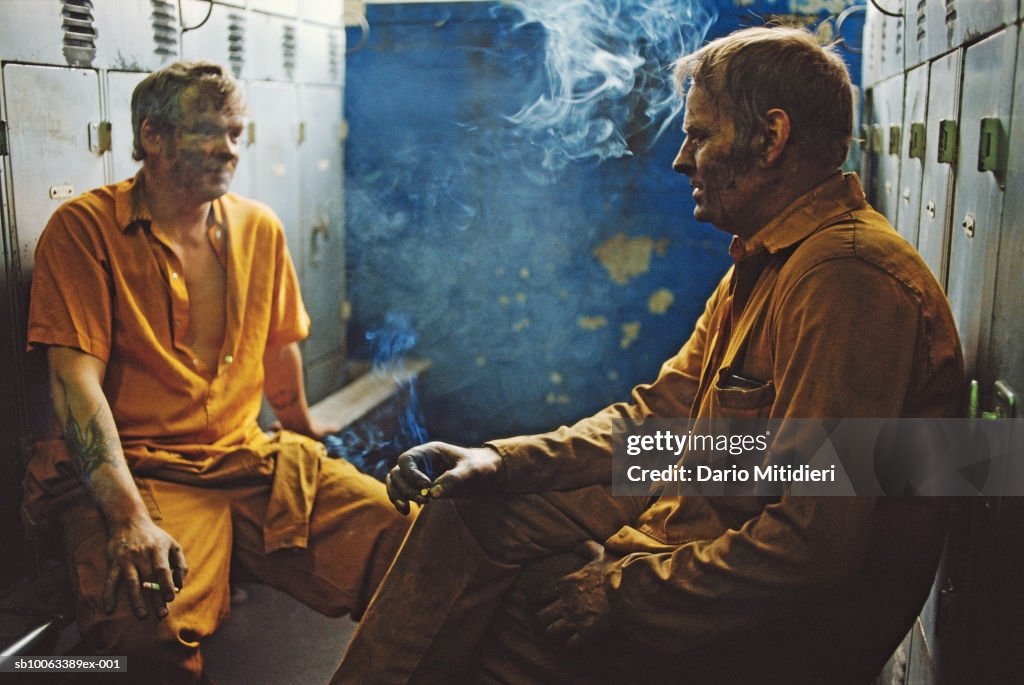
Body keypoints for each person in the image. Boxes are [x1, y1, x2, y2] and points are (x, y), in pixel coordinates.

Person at [331, 26, 965, 685]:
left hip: (777, 641)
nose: (680, 160)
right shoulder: (769, 263)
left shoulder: (845, 278)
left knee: (479, 613)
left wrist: (622, 591)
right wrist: (500, 459)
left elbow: (812, 542)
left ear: (771, 139)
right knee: (473, 507)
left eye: (699, 135)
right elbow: (657, 427)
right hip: (695, 563)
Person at [22, 61, 412, 684]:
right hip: (142, 473)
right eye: (210, 130)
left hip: (245, 456)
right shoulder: (84, 230)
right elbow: (75, 384)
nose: (229, 148)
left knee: (414, 543)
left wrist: (306, 437)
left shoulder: (259, 227)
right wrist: (128, 520)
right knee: (142, 640)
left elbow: (279, 346)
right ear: (152, 135)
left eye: (236, 131)